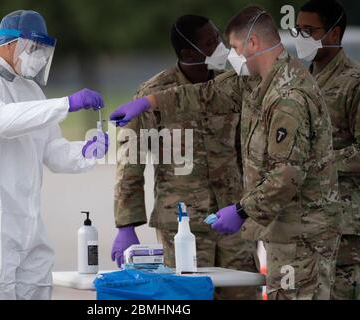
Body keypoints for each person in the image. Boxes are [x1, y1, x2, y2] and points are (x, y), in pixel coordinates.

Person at [110, 6, 341, 300]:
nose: (227, 53)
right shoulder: (258, 81)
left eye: (232, 45)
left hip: (293, 230)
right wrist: (149, 102)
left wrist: (243, 210)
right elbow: (207, 94)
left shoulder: (286, 97)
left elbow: (286, 174)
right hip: (193, 223)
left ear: (253, 44)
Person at [0, 10, 108, 300]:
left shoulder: (32, 91)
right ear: (9, 44)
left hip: (28, 227)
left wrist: (86, 151)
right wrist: (66, 104)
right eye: (33, 48)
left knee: (37, 291)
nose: (38, 57)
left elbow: (52, 151)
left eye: (42, 51)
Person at [111, 15, 258, 300]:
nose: (220, 47)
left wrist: (252, 209)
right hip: (182, 224)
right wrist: (126, 225)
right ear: (189, 52)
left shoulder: (232, 86)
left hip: (232, 218)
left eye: (218, 37)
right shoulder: (152, 93)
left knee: (243, 293)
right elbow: (130, 163)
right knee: (187, 297)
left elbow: (247, 150)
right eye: (211, 42)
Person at [293, 0, 360, 300]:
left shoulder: (354, 84)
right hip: (302, 222)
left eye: (309, 30)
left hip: (343, 224)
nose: (301, 37)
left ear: (334, 34)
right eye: (297, 30)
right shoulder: (299, 81)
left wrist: (315, 163)